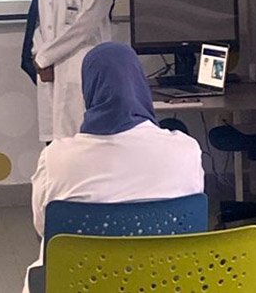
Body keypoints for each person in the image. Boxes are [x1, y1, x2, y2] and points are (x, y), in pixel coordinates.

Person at [23, 42, 205, 292]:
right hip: (166, 281)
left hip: (81, 283)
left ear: (89, 90)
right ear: (139, 85)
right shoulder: (186, 150)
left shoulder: (56, 158)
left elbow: (43, 226)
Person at [21, 0, 115, 142]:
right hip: (49, 70)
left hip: (81, 66)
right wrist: (38, 54)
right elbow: (39, 21)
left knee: (82, 140)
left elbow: (83, 27)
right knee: (55, 142)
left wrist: (46, 57)